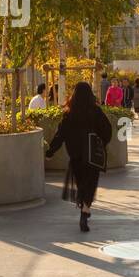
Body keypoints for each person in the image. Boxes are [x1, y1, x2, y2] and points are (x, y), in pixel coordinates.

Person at [45, 81, 113, 232]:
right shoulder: (95, 111)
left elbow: (60, 134)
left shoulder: (69, 113)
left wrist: (50, 151)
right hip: (92, 154)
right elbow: (107, 129)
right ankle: (86, 210)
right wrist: (101, 142)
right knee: (91, 183)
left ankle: (83, 206)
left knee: (81, 182)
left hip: (75, 154)